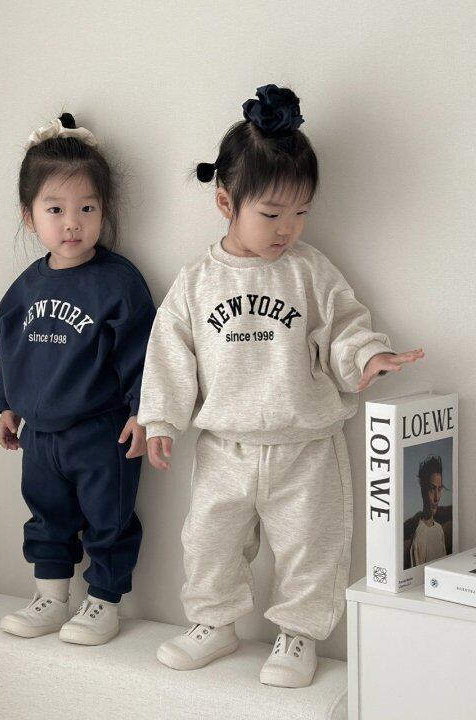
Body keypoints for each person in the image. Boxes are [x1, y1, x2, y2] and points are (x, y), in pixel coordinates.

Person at [137, 85, 425, 687]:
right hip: (226, 446)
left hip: (306, 445)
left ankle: (298, 635)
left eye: (300, 213)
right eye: (271, 214)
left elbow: (345, 325)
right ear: (225, 201)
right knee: (208, 541)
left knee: (311, 545)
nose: (286, 229)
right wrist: (159, 419)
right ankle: (213, 623)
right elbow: (169, 351)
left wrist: (367, 357)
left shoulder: (309, 271)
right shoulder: (197, 281)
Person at [0, 113, 155, 646]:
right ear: (29, 216)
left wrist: (142, 411)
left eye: (87, 208)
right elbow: (13, 350)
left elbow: (143, 353)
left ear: (104, 211)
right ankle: (51, 597)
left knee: (109, 519)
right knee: (47, 515)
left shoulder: (117, 282)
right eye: (55, 209)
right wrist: (6, 403)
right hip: (41, 436)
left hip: (100, 431)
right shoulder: (25, 288)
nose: (72, 224)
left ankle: (103, 602)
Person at [409, 455, 447, 567]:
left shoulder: (439, 529)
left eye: (439, 489)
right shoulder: (419, 537)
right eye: (432, 489)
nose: (436, 498)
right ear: (423, 491)